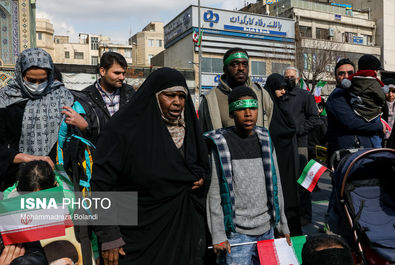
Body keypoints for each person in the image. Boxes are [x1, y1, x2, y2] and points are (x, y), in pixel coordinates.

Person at [91, 68, 209, 265]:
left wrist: (200, 176)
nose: (177, 102)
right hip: (136, 232)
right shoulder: (122, 130)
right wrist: (109, 235)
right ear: (154, 96)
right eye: (170, 95)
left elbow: (200, 164)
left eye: (182, 96)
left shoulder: (189, 129)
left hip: (181, 230)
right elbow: (101, 185)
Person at [205, 86, 290, 265]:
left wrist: (282, 225)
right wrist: (218, 234)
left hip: (267, 229)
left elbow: (277, 185)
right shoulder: (220, 144)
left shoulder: (265, 139)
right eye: (241, 108)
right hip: (236, 234)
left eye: (252, 108)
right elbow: (214, 193)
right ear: (231, 112)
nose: (248, 113)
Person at [0, 48, 86, 191]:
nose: (38, 85)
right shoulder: (5, 100)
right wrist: (26, 158)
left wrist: (83, 126)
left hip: (56, 181)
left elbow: (80, 142)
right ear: (20, 75)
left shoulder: (64, 97)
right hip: (15, 182)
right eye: (32, 80)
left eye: (43, 79)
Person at [198, 47, 273, 133]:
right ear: (224, 69)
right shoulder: (210, 99)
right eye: (235, 64)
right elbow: (202, 133)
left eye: (245, 64)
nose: (241, 68)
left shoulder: (261, 94)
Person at [282, 66, 321, 225]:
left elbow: (314, 118)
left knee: (303, 182)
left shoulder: (305, 95)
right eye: (286, 77)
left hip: (300, 144)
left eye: (292, 77)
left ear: (298, 79)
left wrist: (298, 130)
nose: (289, 79)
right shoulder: (281, 95)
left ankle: (306, 215)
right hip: (284, 144)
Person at [264, 73, 302, 236]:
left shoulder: (283, 106)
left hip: (288, 157)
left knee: (291, 194)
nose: (283, 92)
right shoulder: (268, 107)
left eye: (284, 88)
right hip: (275, 156)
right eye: (279, 88)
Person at [326, 58, 386, 159]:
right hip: (347, 153)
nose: (346, 76)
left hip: (363, 151)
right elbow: (352, 122)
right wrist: (379, 126)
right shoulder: (337, 97)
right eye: (341, 73)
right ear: (335, 77)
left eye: (350, 73)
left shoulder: (358, 93)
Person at [75, 52, 135, 146]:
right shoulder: (85, 97)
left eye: (124, 73)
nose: (122, 77)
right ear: (102, 71)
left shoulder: (130, 93)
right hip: (98, 155)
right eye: (117, 73)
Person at [341, 54, 386, 147]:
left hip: (358, 112)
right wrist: (380, 104)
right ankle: (378, 151)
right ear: (373, 70)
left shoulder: (353, 80)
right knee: (376, 137)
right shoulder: (374, 82)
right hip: (372, 114)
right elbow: (381, 96)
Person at [382, 78, 395, 147]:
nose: (390, 95)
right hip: (380, 139)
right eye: (388, 91)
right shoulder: (380, 104)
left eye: (393, 91)